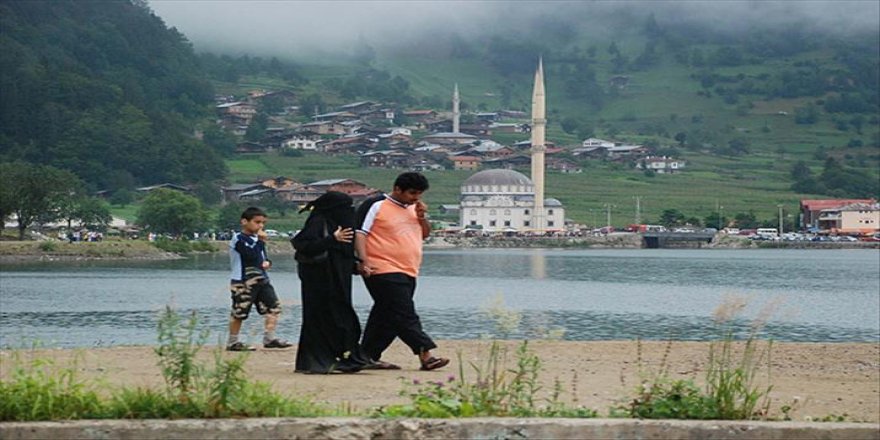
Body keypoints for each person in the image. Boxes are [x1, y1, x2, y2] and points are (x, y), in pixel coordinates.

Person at [355, 172, 449, 371]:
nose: (416, 198)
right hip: (381, 267)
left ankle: (366, 356)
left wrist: (421, 217)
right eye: (412, 193)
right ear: (397, 189)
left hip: (409, 268)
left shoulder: (415, 208)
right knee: (404, 313)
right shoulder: (376, 204)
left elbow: (424, 234)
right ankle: (425, 354)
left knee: (386, 315)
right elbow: (360, 233)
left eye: (419, 194)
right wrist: (363, 261)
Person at [290, 192, 371, 374]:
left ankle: (345, 358)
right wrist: (331, 239)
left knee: (342, 319)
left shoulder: (343, 227)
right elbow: (304, 245)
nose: (349, 212)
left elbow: (342, 255)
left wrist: (356, 266)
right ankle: (318, 361)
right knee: (321, 320)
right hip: (319, 282)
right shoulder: (319, 221)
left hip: (339, 282)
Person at [226, 207, 292, 351]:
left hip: (262, 279)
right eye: (257, 222)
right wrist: (261, 242)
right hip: (243, 280)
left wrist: (268, 262)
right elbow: (250, 255)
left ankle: (269, 337)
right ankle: (233, 341)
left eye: (263, 223)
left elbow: (261, 256)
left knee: (273, 307)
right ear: (244, 221)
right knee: (240, 310)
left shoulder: (257, 239)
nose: (261, 226)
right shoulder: (238, 238)